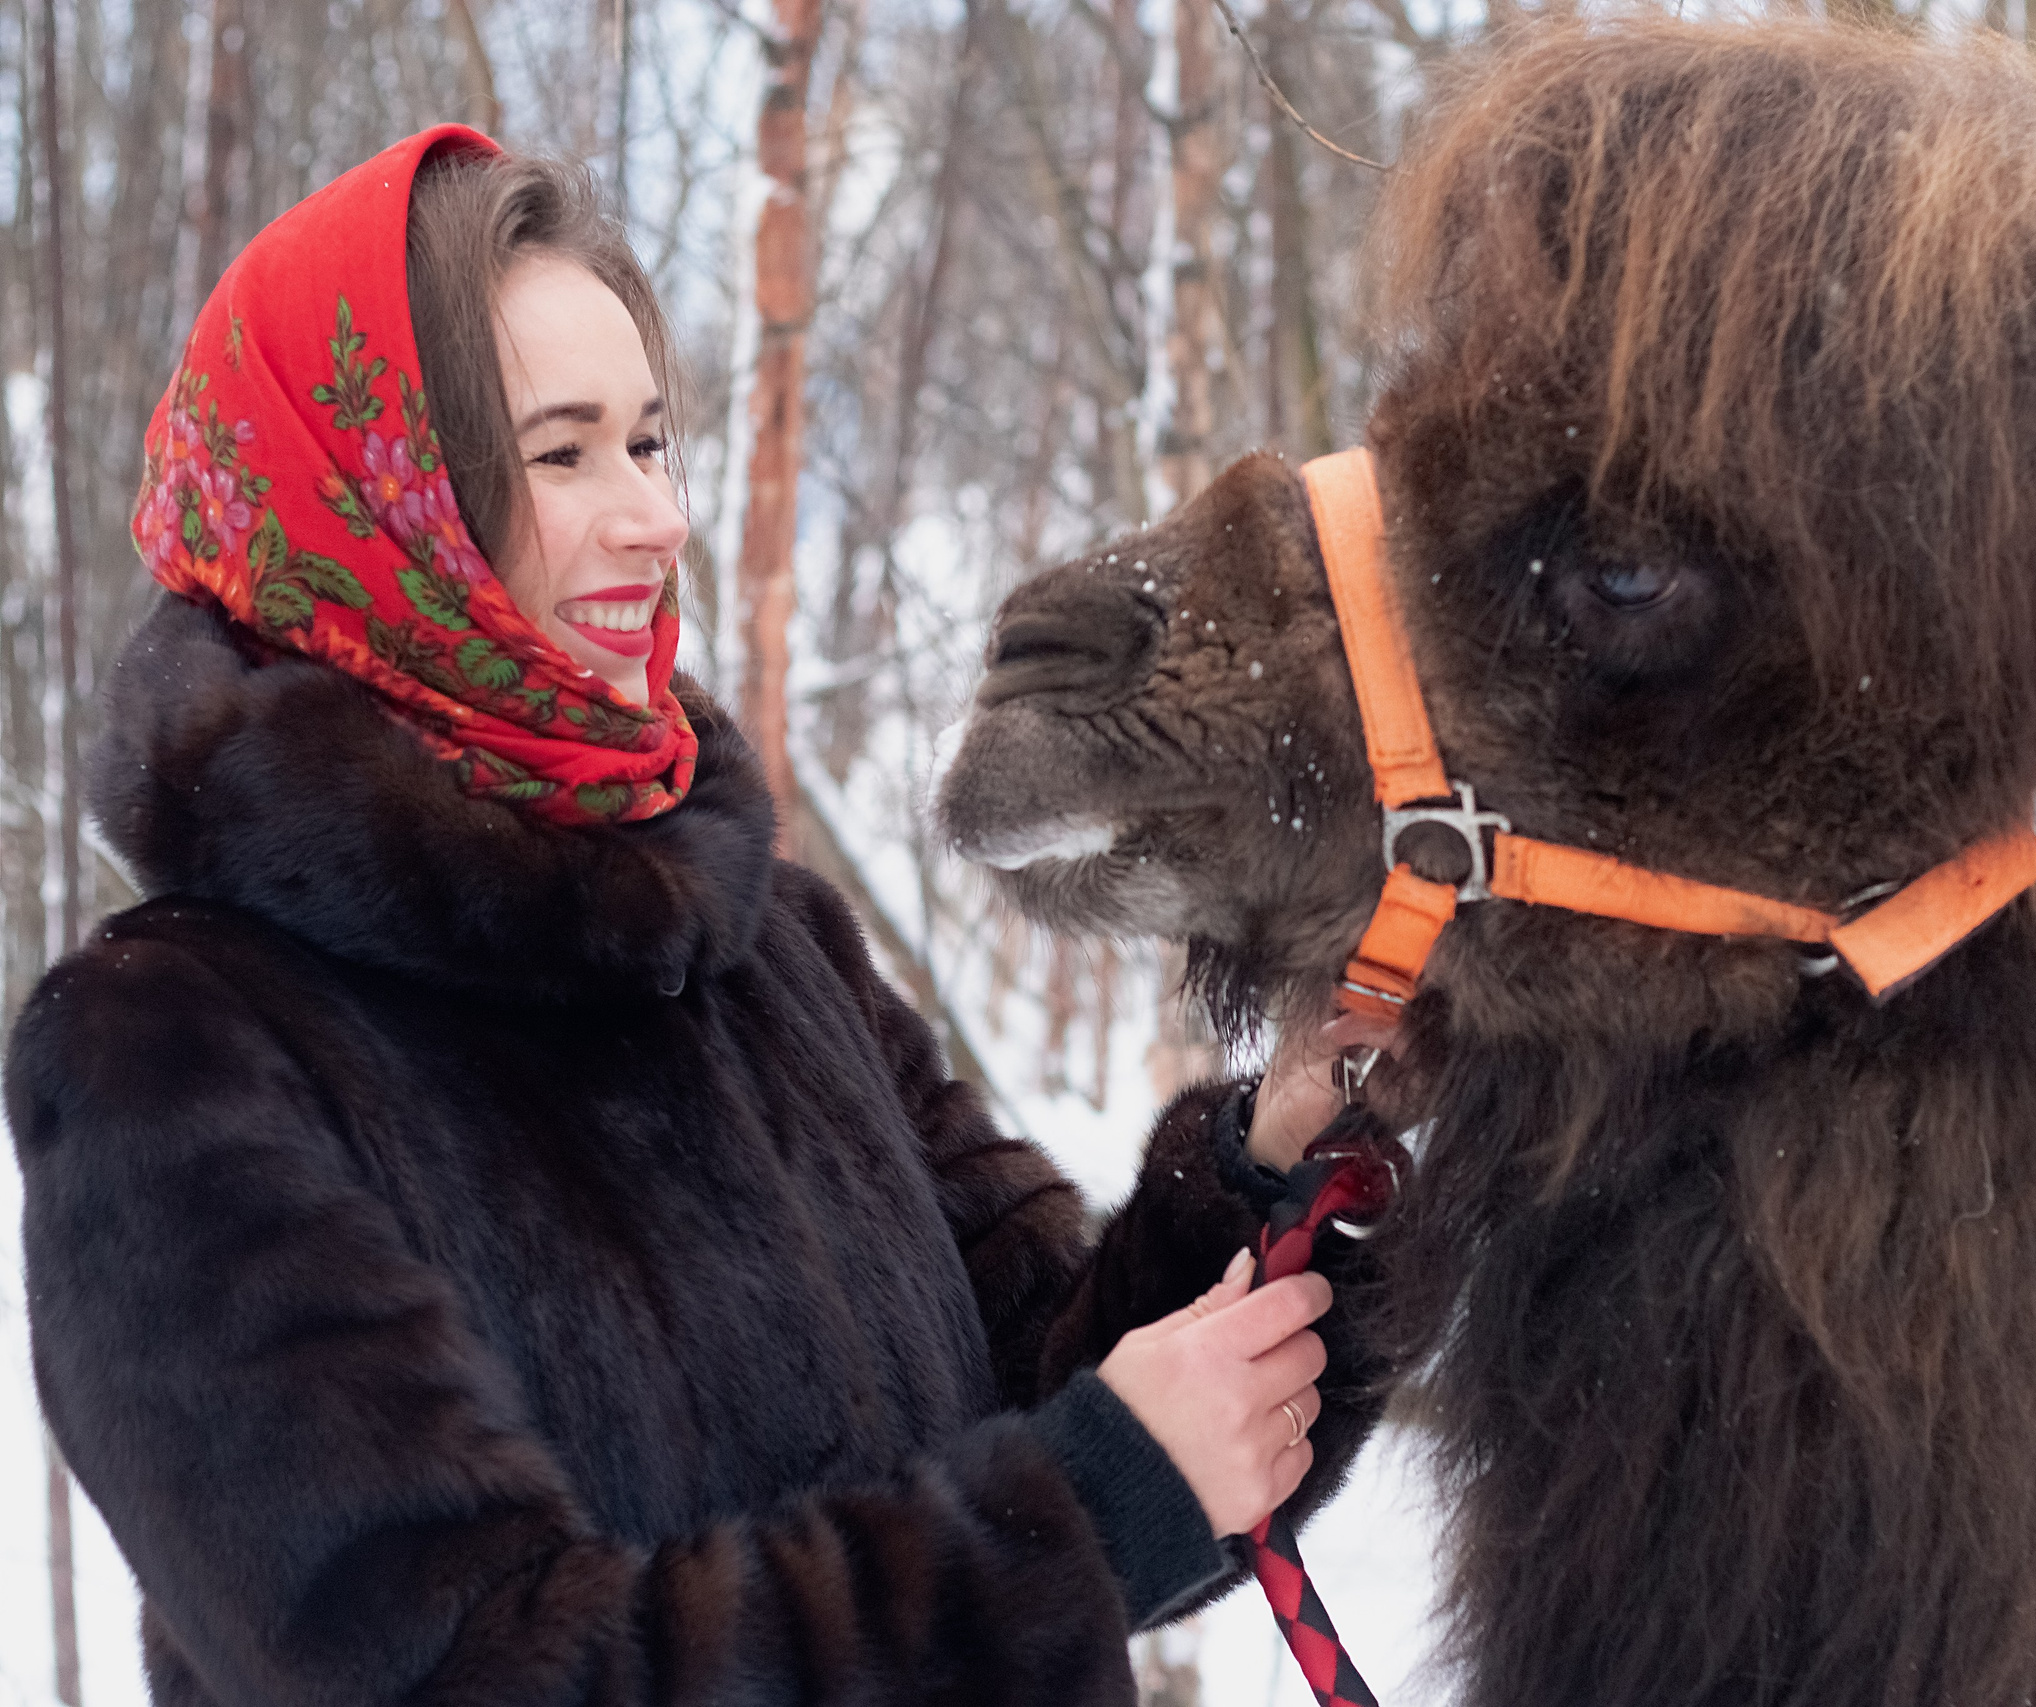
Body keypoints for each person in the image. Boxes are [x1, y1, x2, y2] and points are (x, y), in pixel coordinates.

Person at [3, 126, 1381, 1704]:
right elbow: (470, 1668)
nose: (655, 520)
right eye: (562, 451)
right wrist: (1088, 1510)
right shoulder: (167, 1059)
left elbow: (1050, 1391)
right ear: (384, 510)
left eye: (652, 441)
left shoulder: (763, 942)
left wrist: (1275, 1182)